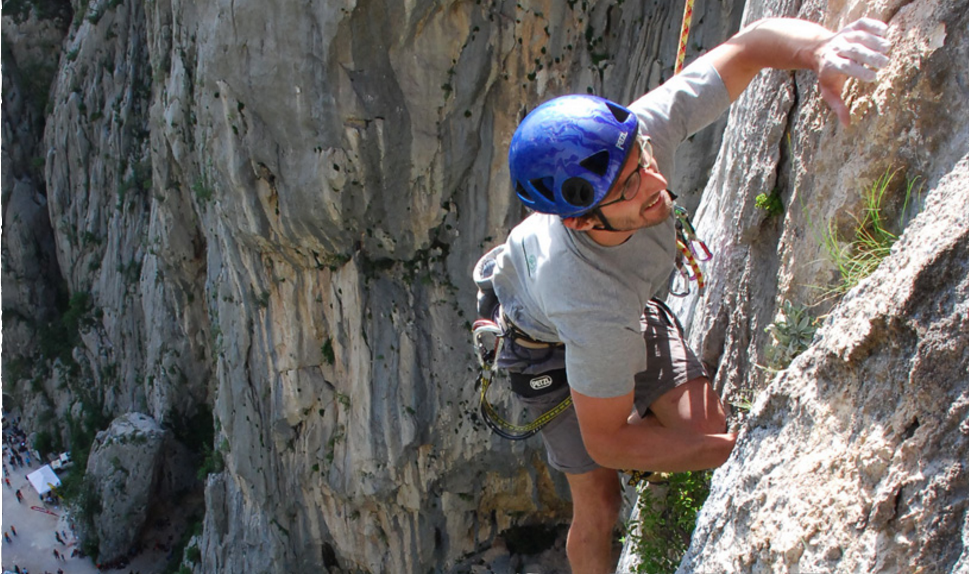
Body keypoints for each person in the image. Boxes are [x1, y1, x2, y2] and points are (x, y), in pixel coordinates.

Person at [477, 16, 890, 574]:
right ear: (581, 223)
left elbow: (749, 47)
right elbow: (608, 442)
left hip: (619, 312)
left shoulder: (639, 136)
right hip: (545, 348)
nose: (654, 184)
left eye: (642, 161)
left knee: (701, 430)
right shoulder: (591, 301)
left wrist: (823, 50)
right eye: (628, 189)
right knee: (599, 502)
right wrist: (736, 451)